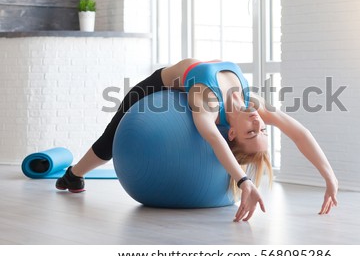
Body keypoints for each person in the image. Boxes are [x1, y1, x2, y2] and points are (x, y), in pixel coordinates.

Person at [56, 59, 338, 222]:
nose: (258, 123)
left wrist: (243, 181)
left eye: (251, 133)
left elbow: (213, 138)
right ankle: (74, 175)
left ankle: (72, 174)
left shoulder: (209, 103)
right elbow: (300, 132)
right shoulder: (254, 103)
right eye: (263, 131)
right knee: (109, 141)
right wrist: (330, 179)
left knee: (110, 143)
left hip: (159, 85)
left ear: (233, 134)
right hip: (162, 84)